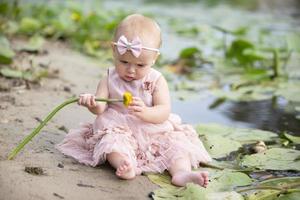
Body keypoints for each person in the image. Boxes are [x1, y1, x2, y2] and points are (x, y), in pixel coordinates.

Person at [56, 14, 211, 187]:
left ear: (154, 59)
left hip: (151, 130)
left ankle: (181, 172)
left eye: (140, 65)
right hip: (118, 128)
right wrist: (92, 103)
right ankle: (124, 163)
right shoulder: (109, 78)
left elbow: (164, 110)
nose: (131, 70)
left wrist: (146, 111)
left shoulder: (156, 80)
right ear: (114, 50)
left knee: (176, 146)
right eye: (123, 62)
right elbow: (100, 108)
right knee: (111, 144)